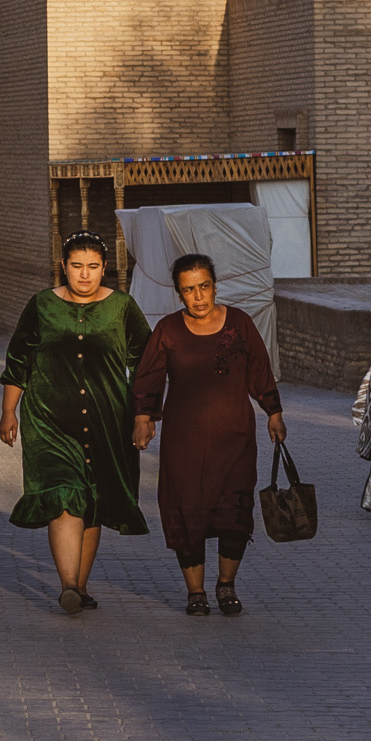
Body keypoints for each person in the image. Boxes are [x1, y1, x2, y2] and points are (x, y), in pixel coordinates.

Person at [0, 231, 150, 613]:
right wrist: (8, 411)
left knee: (94, 500)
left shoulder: (123, 308)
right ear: (63, 266)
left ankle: (79, 587)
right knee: (65, 496)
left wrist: (144, 415)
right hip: (50, 419)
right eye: (77, 266)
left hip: (109, 419)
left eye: (93, 267)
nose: (85, 275)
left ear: (105, 269)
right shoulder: (41, 306)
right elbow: (18, 361)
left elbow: (147, 365)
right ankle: (67, 584)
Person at [132, 252, 285, 617]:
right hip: (184, 444)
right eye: (189, 290)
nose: (198, 297)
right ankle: (196, 591)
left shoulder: (240, 324)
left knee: (235, 511)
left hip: (235, 439)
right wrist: (143, 417)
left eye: (204, 287)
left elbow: (260, 371)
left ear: (215, 286)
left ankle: (226, 586)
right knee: (188, 513)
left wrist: (273, 413)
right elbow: (149, 377)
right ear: (179, 293)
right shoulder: (167, 330)